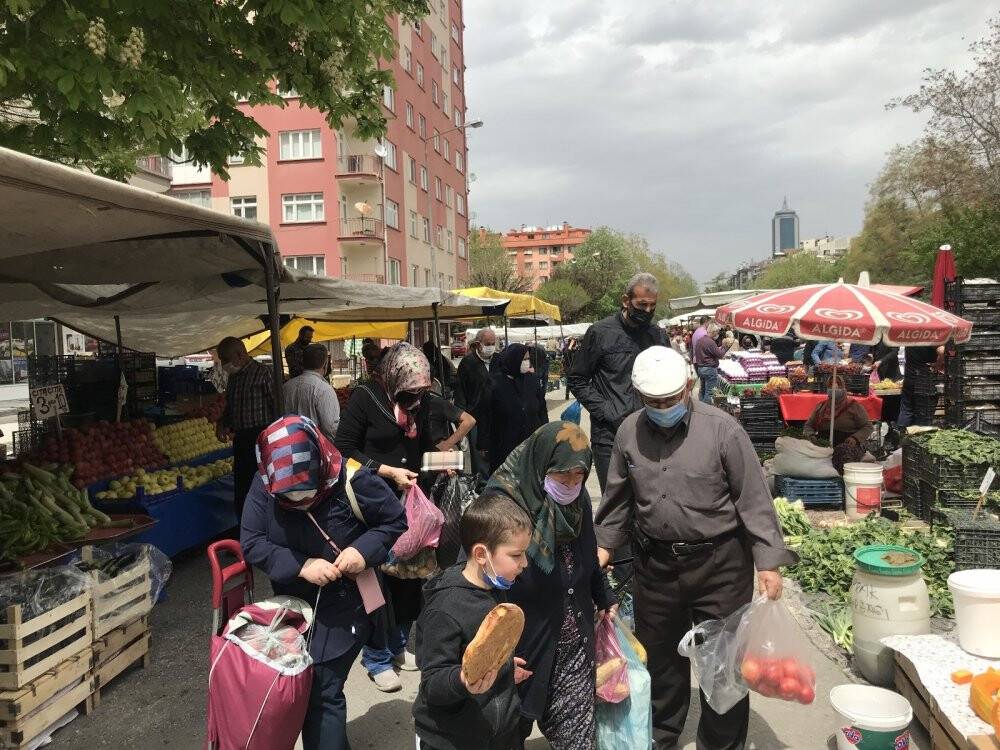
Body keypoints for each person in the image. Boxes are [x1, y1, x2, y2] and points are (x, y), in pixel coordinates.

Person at [595, 346, 797, 750]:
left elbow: (753, 499)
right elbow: (617, 501)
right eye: (653, 402)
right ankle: (662, 735)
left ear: (688, 386)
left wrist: (768, 562)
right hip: (655, 566)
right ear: (639, 396)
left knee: (722, 663)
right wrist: (601, 548)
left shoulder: (723, 430)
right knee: (662, 660)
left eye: (671, 400)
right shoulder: (628, 433)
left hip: (720, 564)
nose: (663, 407)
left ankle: (720, 743)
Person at [240, 415, 406, 750]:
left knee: (322, 691)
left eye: (307, 492)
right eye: (288, 497)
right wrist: (302, 565)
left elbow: (394, 520)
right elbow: (253, 541)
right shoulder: (265, 483)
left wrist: (362, 550)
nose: (299, 502)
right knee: (304, 687)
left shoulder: (352, 478)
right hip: (292, 607)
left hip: (347, 601)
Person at [336, 343, 474, 692]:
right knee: (376, 581)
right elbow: (343, 449)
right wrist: (385, 471)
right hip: (372, 501)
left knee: (409, 577)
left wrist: (444, 465)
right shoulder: (366, 398)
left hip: (414, 502)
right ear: (392, 378)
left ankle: (398, 644)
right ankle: (377, 656)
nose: (416, 399)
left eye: (421, 392)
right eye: (409, 393)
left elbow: (425, 444)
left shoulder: (422, 401)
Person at [486, 422, 616, 749]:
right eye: (562, 476)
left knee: (578, 741)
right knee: (505, 733)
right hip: (522, 646)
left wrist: (604, 596)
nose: (572, 484)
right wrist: (493, 655)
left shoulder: (579, 500)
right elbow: (475, 581)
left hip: (573, 639)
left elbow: (586, 552)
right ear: (542, 463)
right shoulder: (502, 507)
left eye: (579, 476)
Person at [412, 494, 533, 750]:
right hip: (453, 739)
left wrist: (505, 668)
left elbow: (487, 650)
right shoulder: (444, 609)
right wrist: (464, 681)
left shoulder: (495, 589)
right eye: (516, 555)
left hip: (501, 734)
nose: (524, 563)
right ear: (481, 554)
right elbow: (433, 683)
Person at [567, 272, 668, 492]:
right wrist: (606, 410)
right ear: (625, 301)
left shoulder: (658, 336)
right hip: (609, 437)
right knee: (614, 506)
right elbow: (577, 379)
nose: (647, 311)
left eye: (653, 306)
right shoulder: (600, 332)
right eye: (642, 305)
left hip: (652, 434)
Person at [216, 336, 274, 522]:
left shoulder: (263, 373)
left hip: (261, 436)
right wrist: (222, 422)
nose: (224, 364)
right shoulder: (234, 377)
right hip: (241, 438)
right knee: (242, 486)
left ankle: (264, 527)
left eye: (225, 359)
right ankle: (244, 528)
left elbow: (277, 405)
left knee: (261, 484)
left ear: (240, 354)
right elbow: (230, 405)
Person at [486, 344, 548, 473]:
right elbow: (486, 415)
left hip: (531, 440)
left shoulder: (532, 380)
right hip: (504, 443)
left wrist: (545, 433)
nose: (527, 362)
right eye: (524, 359)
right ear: (514, 359)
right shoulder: (494, 383)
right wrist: (484, 443)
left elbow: (541, 409)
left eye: (528, 359)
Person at [803, 373, 873, 472]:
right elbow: (809, 426)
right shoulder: (821, 407)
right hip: (824, 444)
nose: (834, 387)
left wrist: (855, 438)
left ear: (844, 388)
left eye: (838, 385)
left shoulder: (854, 406)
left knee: (842, 452)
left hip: (848, 445)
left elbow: (868, 426)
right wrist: (811, 436)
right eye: (831, 385)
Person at [455, 329, 499, 477]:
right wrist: (460, 418)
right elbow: (460, 391)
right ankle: (481, 487)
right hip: (475, 418)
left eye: (493, 344)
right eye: (488, 344)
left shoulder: (499, 361)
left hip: (496, 416)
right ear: (478, 344)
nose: (491, 347)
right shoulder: (468, 363)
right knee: (479, 457)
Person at [284, 343, 340, 442]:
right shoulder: (324, 389)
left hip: (289, 446)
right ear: (325, 364)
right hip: (315, 448)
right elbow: (331, 428)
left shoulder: (286, 387)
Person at [898, 345, 943, 428]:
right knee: (924, 414)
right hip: (925, 379)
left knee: (906, 409)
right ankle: (919, 437)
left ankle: (902, 435)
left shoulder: (912, 334)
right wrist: (937, 365)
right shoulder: (933, 335)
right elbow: (942, 351)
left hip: (909, 377)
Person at [692, 322, 731, 404]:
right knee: (709, 392)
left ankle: (700, 406)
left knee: (703, 389)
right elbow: (720, 355)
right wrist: (725, 347)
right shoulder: (710, 342)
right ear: (713, 332)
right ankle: (706, 409)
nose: (717, 335)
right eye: (716, 333)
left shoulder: (700, 340)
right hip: (709, 368)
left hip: (700, 368)